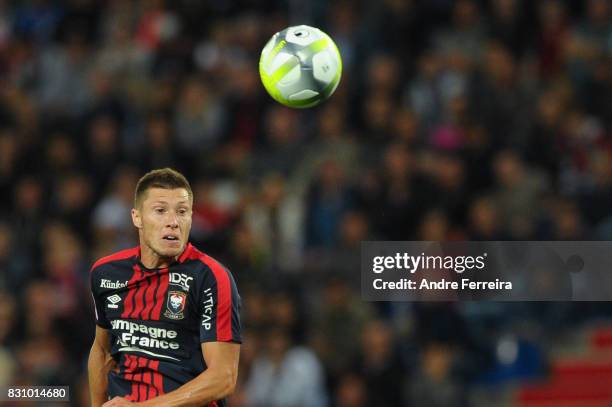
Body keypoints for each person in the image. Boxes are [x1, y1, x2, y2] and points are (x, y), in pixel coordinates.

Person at [88, 168, 241, 406]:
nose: (173, 222)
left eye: (182, 212)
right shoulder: (105, 273)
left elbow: (223, 377)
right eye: (160, 211)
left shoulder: (211, 277)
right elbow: (102, 352)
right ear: (136, 217)